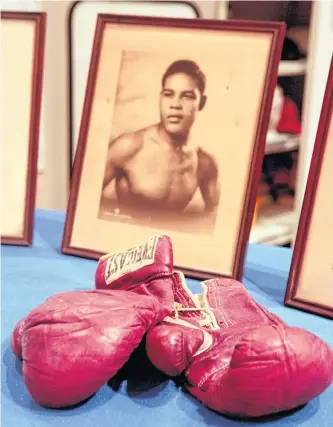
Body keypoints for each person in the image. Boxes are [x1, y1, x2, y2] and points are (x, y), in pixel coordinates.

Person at [100, 59, 220, 225]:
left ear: (202, 102)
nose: (175, 105)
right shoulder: (130, 146)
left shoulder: (205, 164)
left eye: (187, 96)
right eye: (168, 94)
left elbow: (214, 216)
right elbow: (84, 196)